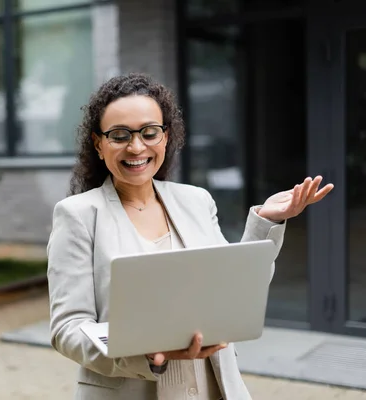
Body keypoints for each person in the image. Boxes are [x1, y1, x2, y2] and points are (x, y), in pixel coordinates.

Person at [46, 73, 334, 400]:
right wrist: (142, 354)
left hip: (215, 387)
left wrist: (265, 221)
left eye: (149, 132)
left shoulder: (195, 200)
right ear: (99, 144)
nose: (136, 146)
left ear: (165, 137)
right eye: (119, 135)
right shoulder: (77, 215)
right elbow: (68, 329)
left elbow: (235, 291)